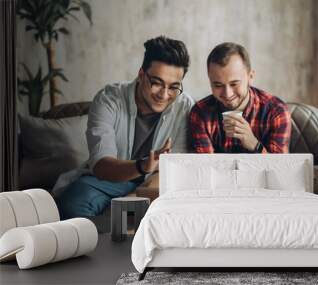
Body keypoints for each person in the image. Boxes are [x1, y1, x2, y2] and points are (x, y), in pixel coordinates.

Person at [53, 36, 194, 219]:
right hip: (107, 180)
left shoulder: (185, 107)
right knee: (71, 205)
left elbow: (173, 170)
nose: (164, 95)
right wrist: (143, 166)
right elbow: (101, 165)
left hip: (155, 181)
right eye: (157, 83)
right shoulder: (109, 99)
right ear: (141, 75)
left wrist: (135, 199)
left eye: (174, 87)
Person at [189, 42, 291, 153]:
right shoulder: (200, 113)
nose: (227, 94)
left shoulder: (276, 111)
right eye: (218, 85)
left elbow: (279, 168)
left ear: (250, 77)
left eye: (234, 84)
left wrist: (254, 144)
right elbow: (204, 167)